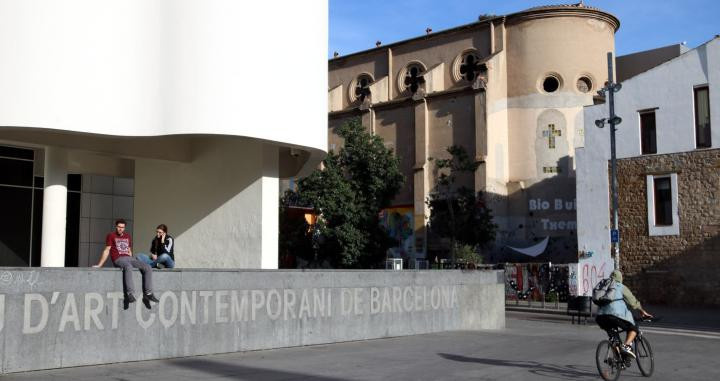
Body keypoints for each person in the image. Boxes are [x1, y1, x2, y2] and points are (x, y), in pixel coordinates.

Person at [94, 219, 159, 309]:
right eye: (119, 227)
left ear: (124, 228)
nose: (121, 229)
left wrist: (132, 259)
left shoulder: (127, 236)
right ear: (116, 227)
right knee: (128, 266)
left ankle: (148, 293)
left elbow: (128, 250)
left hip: (129, 258)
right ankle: (130, 294)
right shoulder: (111, 236)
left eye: (122, 227)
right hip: (118, 259)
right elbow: (107, 250)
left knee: (147, 267)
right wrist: (100, 264)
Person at [595, 270, 653, 359]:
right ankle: (626, 346)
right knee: (633, 328)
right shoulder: (620, 286)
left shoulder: (605, 286)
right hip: (614, 315)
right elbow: (632, 301)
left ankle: (618, 360)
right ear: (620, 278)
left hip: (600, 317)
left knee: (614, 338)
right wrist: (641, 311)